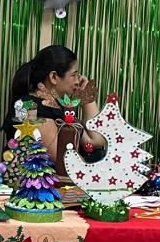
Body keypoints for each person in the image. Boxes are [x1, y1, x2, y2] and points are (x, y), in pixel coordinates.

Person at [6, 44, 106, 174]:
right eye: (74, 75)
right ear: (53, 77)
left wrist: (86, 95)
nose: (78, 81)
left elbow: (96, 141)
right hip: (40, 185)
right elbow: (64, 162)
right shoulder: (32, 107)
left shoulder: (58, 107)